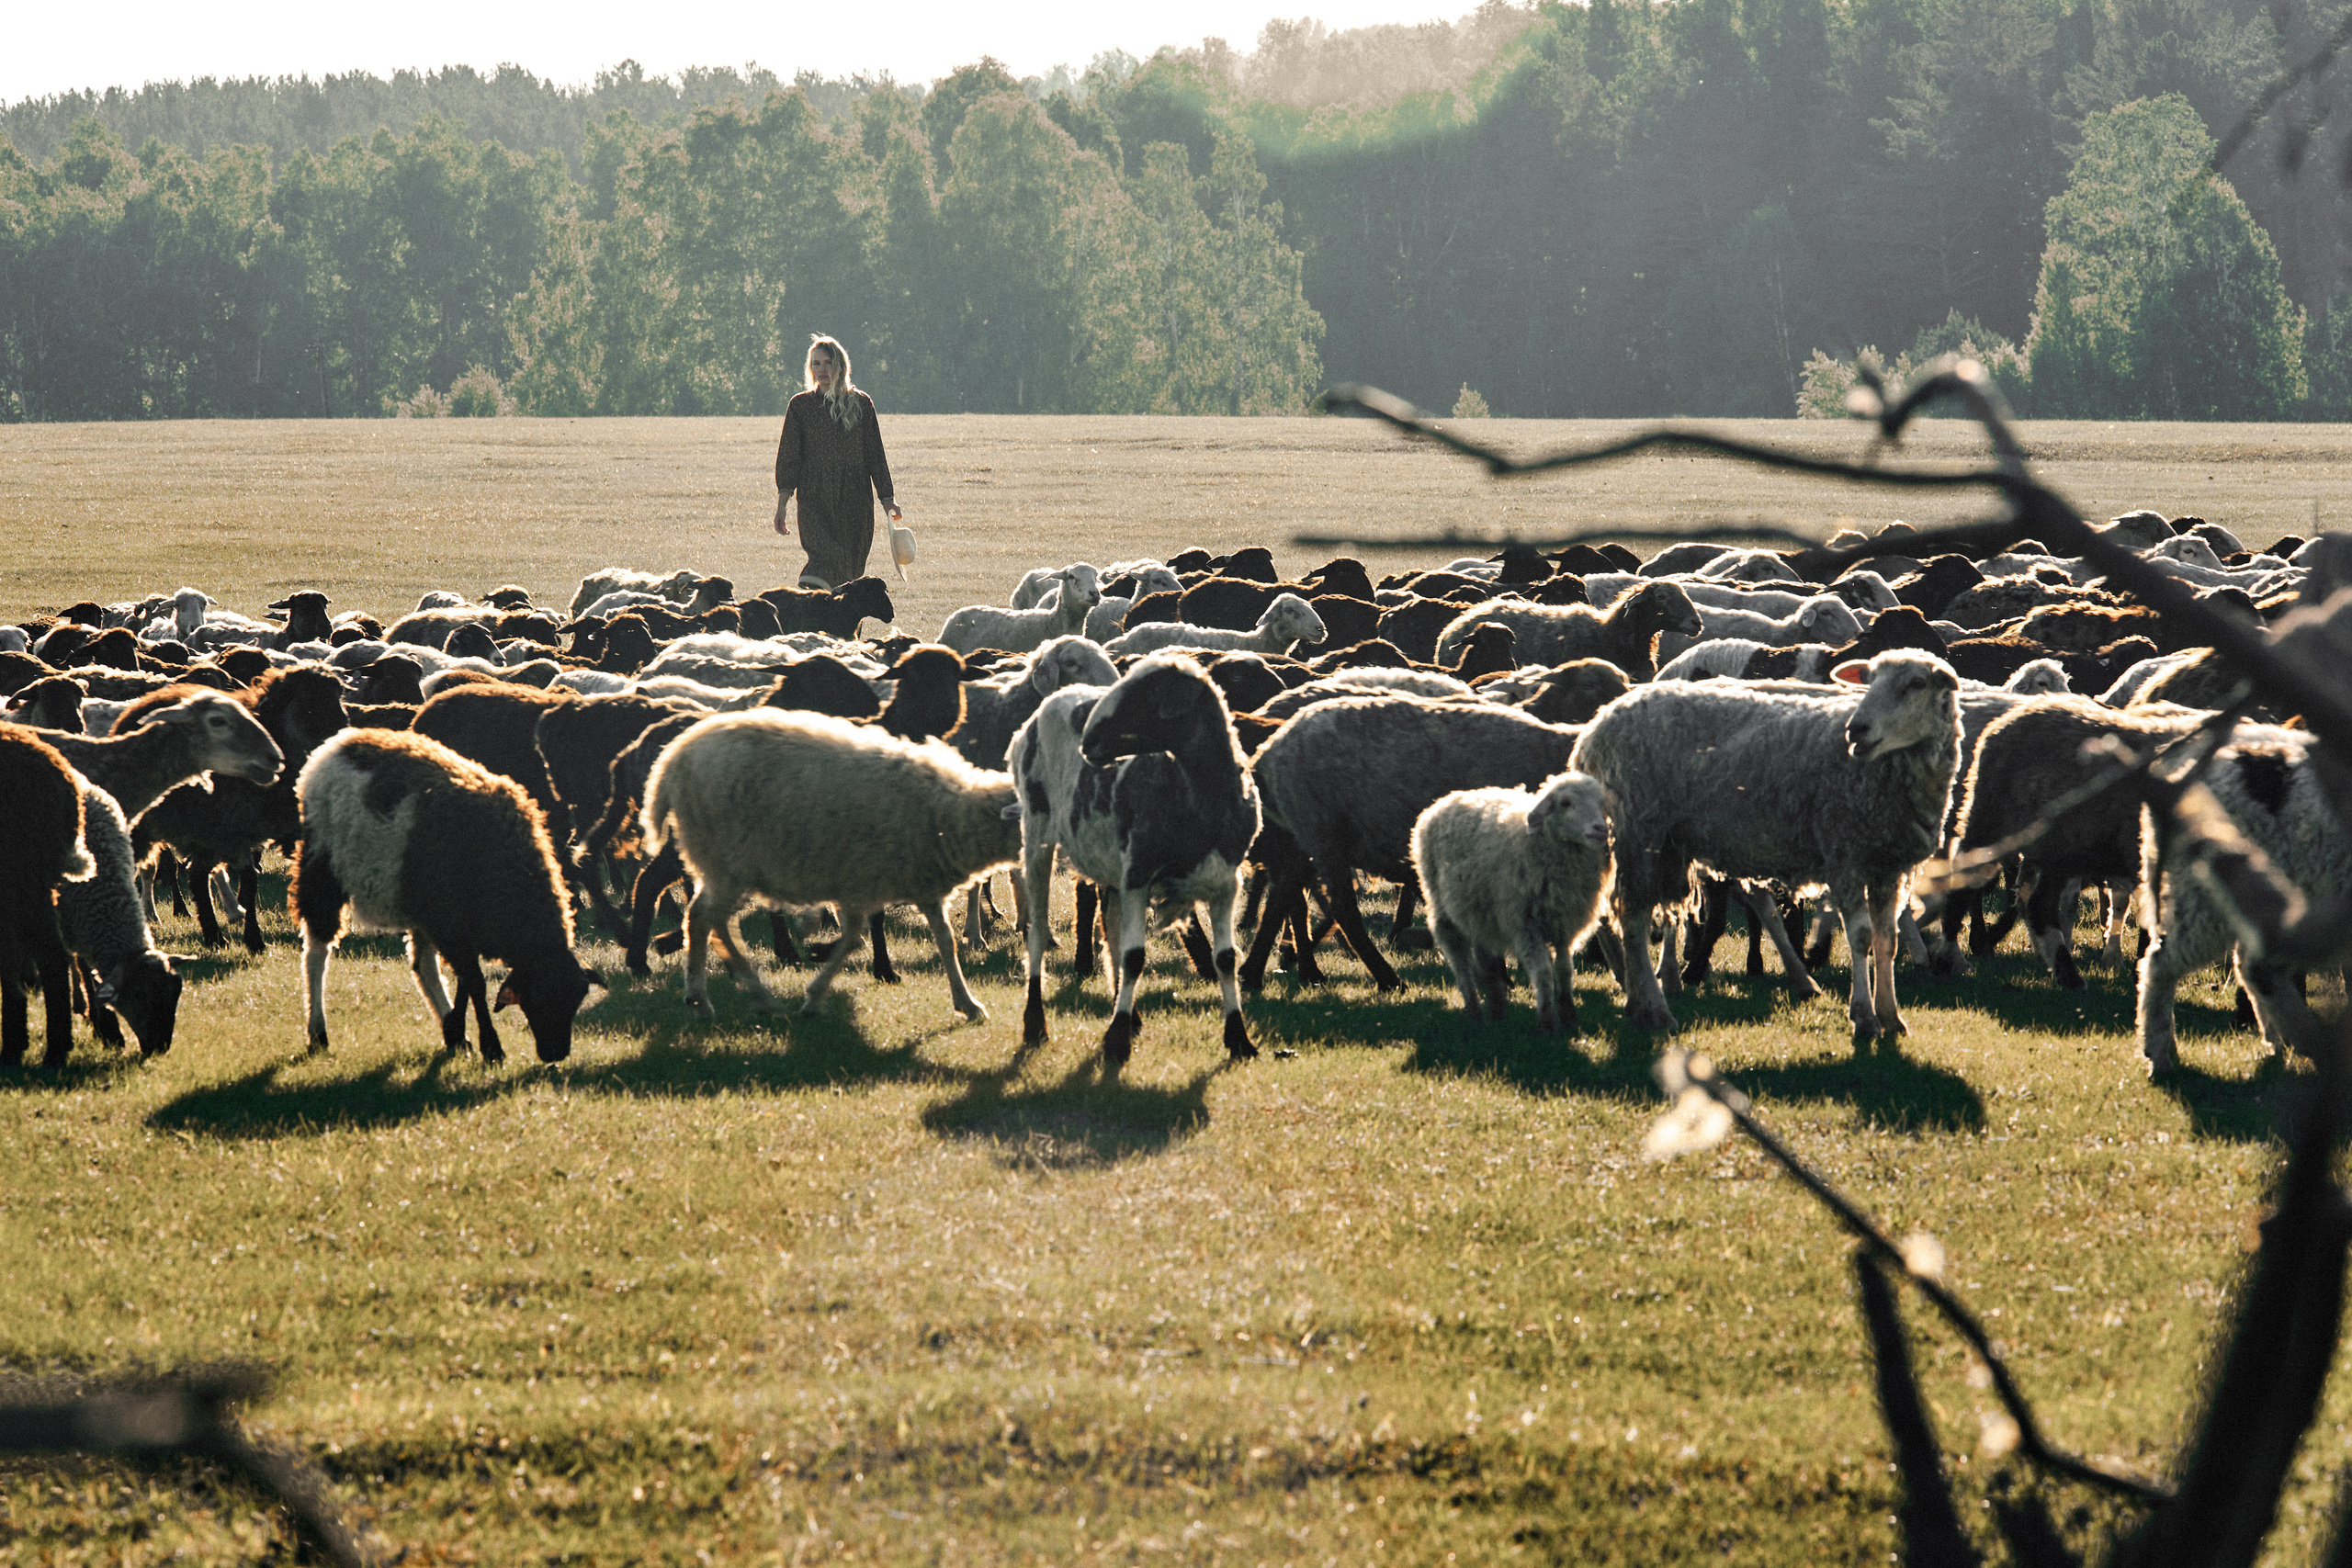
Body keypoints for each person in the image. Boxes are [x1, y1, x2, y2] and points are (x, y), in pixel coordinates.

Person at [773, 335, 902, 591]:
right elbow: (789, 457)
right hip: (815, 499)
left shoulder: (862, 404)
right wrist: (782, 505)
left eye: (828, 362)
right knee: (822, 560)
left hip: (855, 499)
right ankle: (809, 606)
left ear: (840, 365)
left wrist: (887, 498)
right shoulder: (800, 406)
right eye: (816, 363)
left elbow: (875, 456)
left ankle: (841, 614)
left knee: (850, 568)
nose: (822, 369)